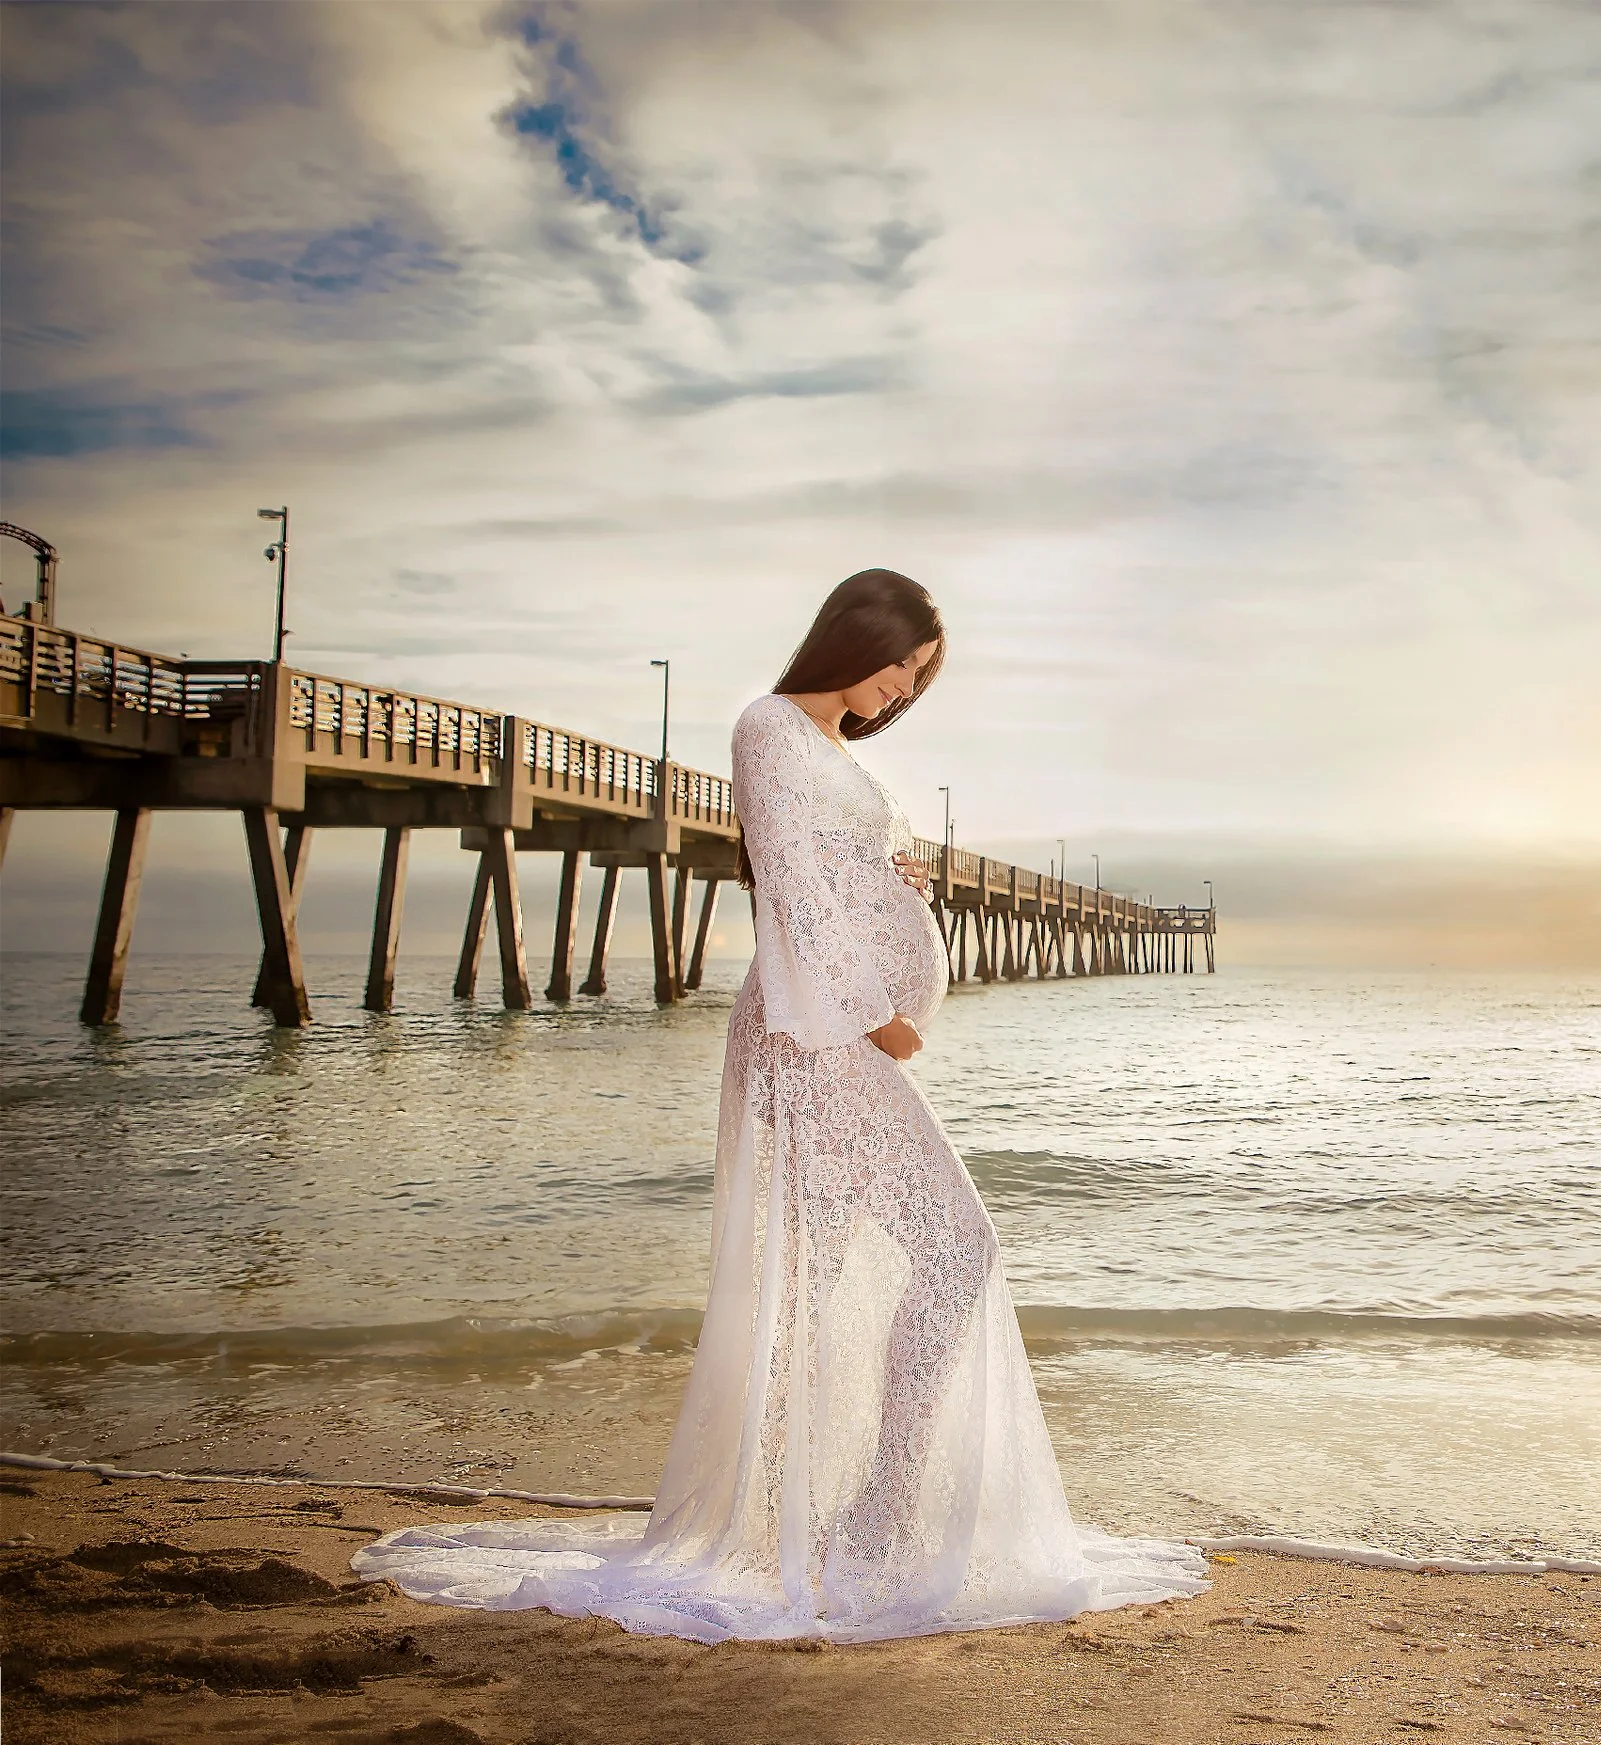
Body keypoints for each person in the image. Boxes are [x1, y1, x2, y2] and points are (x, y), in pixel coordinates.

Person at [353, 569, 1208, 1642]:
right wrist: (872, 1017)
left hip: (841, 1031)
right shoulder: (769, 725)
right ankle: (844, 1517)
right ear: (862, 635)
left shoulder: (835, 748)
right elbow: (791, 895)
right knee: (939, 1249)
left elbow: (829, 869)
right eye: (905, 661)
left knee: (861, 1263)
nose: (904, 687)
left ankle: (850, 1512)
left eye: (920, 677)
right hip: (819, 1035)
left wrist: (896, 887)